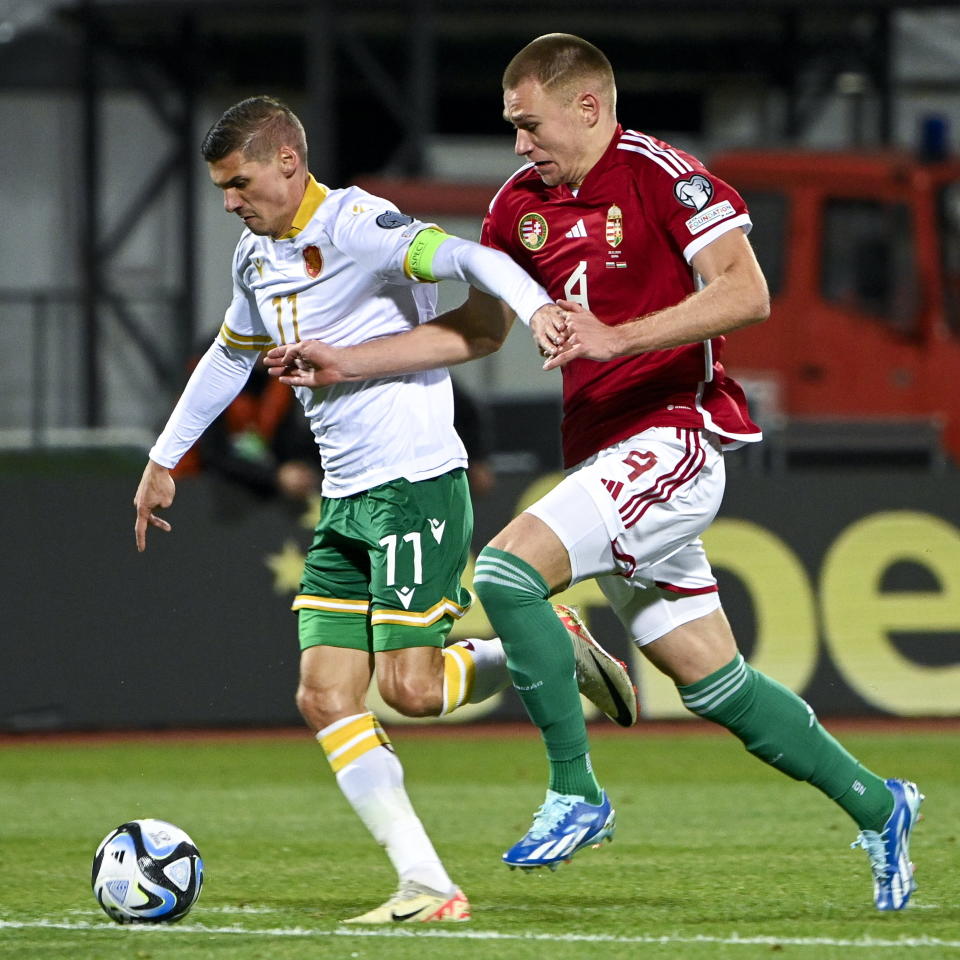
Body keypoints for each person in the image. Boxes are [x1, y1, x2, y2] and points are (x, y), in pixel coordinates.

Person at [264, 36, 923, 912]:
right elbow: (483, 331)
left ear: (588, 106)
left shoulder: (662, 174)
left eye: (529, 124)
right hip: (607, 453)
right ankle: (883, 807)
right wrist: (350, 361)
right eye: (510, 127)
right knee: (714, 686)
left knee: (504, 571)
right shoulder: (518, 206)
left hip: (677, 434)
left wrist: (619, 335)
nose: (518, 145)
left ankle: (576, 791)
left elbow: (747, 291)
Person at [132, 95, 638, 925]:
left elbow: (471, 261)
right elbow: (231, 354)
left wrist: (540, 308)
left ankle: (538, 640)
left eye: (240, 182)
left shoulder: (361, 226)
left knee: (408, 688)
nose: (230, 200)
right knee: (325, 694)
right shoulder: (256, 257)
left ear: (289, 163)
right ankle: (427, 884)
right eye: (222, 187)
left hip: (414, 485)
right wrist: (163, 459)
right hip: (345, 499)